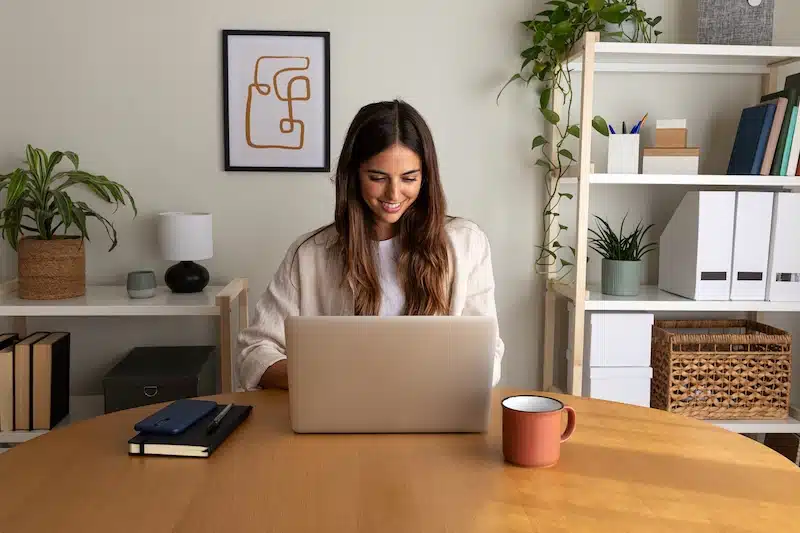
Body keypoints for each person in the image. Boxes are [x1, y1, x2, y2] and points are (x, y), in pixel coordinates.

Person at [236, 99, 504, 390]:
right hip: (338, 417)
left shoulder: (467, 243)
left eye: (409, 178)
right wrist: (324, 379)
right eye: (377, 177)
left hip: (434, 414)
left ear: (425, 178)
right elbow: (254, 352)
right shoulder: (310, 254)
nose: (394, 193)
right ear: (353, 175)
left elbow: (488, 354)